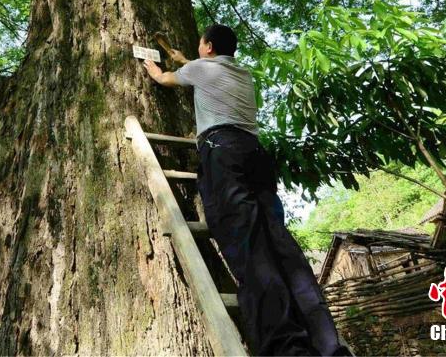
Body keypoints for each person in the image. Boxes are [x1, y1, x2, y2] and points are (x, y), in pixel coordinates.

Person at [143, 24, 351, 357]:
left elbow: (167, 78)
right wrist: (184, 60)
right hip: (255, 153)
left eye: (200, 45)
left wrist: (152, 68)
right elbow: (194, 67)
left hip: (223, 152)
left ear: (208, 47)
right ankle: (327, 345)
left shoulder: (198, 68)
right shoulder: (241, 74)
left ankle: (287, 349)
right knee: (281, 246)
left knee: (249, 246)